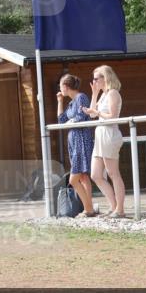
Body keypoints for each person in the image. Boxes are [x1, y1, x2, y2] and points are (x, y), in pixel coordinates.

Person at [82, 65, 126, 216]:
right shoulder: (103, 94)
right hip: (100, 133)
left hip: (109, 133)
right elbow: (93, 115)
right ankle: (113, 206)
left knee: (113, 173)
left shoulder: (113, 93)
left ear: (104, 78)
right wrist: (94, 94)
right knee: (95, 174)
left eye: (96, 78)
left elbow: (113, 116)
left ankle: (120, 209)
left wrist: (97, 111)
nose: (94, 81)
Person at [57, 74, 97, 216]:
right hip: (73, 141)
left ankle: (89, 208)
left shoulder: (81, 97)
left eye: (61, 85)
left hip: (81, 139)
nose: (60, 88)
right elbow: (61, 120)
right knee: (82, 177)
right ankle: (88, 208)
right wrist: (60, 101)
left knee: (80, 176)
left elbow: (80, 118)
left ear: (66, 87)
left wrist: (69, 123)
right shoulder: (71, 103)